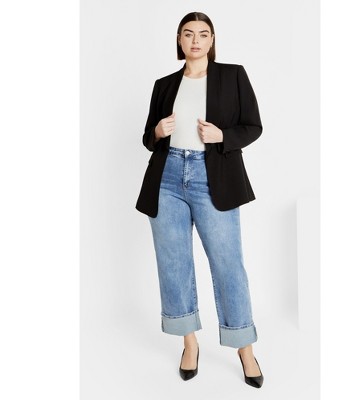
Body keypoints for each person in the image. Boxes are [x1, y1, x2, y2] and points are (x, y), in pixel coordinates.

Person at [136, 11, 264, 388]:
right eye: (188, 34)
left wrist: (222, 136)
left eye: (203, 34)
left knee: (228, 265)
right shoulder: (164, 85)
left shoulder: (233, 76)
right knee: (174, 264)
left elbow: (253, 126)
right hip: (167, 179)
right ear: (179, 40)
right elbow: (148, 138)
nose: (196, 40)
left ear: (212, 40)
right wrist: (157, 131)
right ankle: (189, 343)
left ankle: (245, 349)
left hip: (214, 178)